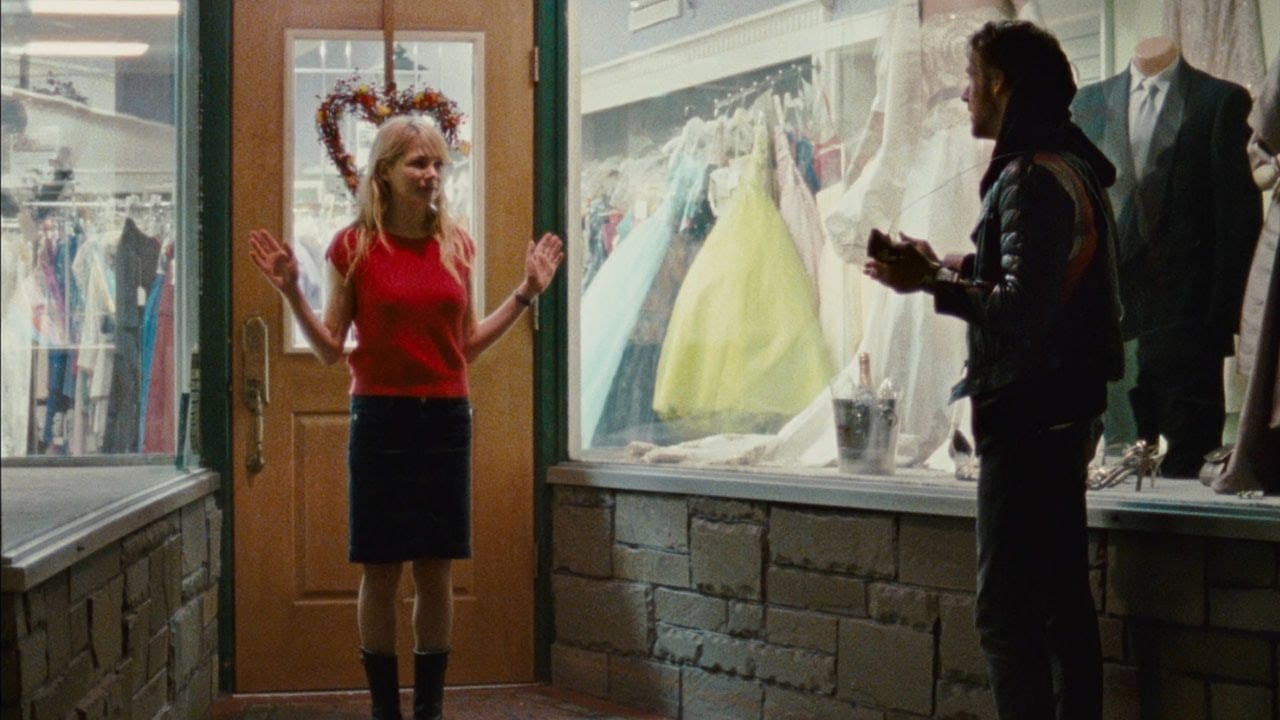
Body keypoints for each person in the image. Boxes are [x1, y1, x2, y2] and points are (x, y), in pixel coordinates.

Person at [247, 115, 563, 720]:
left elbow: (465, 345)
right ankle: (385, 710)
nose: (431, 174)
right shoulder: (353, 246)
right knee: (382, 568)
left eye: (439, 164)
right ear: (385, 173)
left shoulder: (457, 245)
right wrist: (290, 291)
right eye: (418, 163)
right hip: (381, 420)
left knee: (437, 568)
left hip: (445, 420)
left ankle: (429, 710)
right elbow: (329, 348)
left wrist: (526, 292)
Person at [863, 21, 1122, 719]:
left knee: (1007, 615)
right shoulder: (1066, 163)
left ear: (1002, 84)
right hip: (1061, 411)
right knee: (1062, 604)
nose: (963, 94)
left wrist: (929, 282)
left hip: (1028, 418)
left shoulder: (1031, 176)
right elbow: (1037, 276)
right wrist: (947, 263)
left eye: (972, 78)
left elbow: (1021, 310)